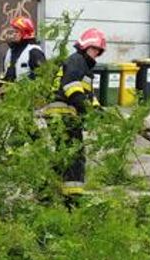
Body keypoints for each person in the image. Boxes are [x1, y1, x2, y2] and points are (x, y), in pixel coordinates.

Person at [42, 28, 106, 201]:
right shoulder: (77, 60)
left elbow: (88, 95)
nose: (96, 54)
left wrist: (99, 110)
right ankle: (73, 197)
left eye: (98, 51)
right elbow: (72, 87)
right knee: (75, 153)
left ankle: (47, 189)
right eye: (94, 49)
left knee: (65, 152)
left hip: (62, 113)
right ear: (85, 47)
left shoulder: (83, 66)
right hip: (63, 112)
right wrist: (86, 109)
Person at [1, 16, 46, 84]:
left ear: (25, 33)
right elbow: (6, 74)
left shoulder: (34, 52)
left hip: (27, 93)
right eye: (13, 32)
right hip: (10, 93)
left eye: (16, 32)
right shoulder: (10, 51)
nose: (13, 34)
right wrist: (0, 86)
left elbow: (41, 76)